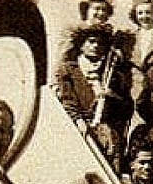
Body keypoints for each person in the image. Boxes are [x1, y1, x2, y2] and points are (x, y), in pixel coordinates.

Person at [54, 23, 132, 172]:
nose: (95, 46)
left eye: (100, 43)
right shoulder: (68, 70)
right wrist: (78, 120)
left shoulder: (113, 74)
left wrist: (112, 95)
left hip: (108, 134)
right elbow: (67, 99)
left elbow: (127, 109)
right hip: (79, 128)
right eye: (91, 41)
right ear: (81, 45)